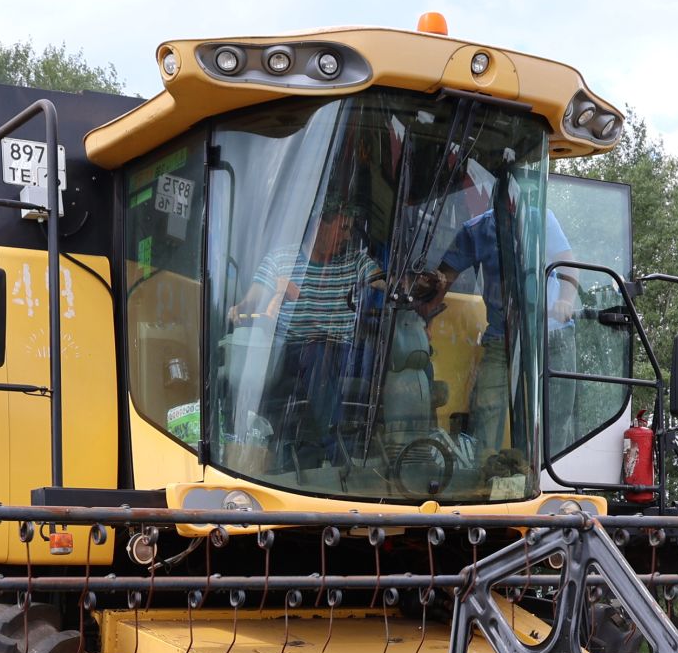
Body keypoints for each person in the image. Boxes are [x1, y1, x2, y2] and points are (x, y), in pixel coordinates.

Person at [229, 197, 386, 461]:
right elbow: (255, 296)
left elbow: (384, 283)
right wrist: (241, 308)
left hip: (344, 351)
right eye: (343, 228)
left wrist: (407, 286)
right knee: (316, 351)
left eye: (350, 229)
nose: (348, 237)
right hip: (294, 349)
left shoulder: (357, 261)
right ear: (319, 225)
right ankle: (336, 449)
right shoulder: (281, 259)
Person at [423, 200, 578, 455]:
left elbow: (568, 264)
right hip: (502, 336)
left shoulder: (543, 220)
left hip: (552, 333)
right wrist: (426, 318)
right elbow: (444, 278)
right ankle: (484, 472)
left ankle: (550, 478)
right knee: (487, 407)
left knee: (556, 413)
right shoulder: (476, 231)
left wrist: (565, 300)